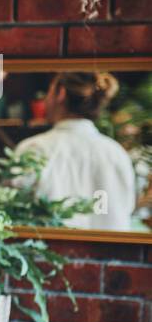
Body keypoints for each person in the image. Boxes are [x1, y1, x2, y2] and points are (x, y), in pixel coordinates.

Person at [14, 71, 136, 230]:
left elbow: (12, 210)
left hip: (47, 253)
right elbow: (126, 209)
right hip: (110, 254)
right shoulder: (116, 153)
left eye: (49, 91)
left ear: (61, 94)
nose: (45, 99)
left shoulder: (35, 149)